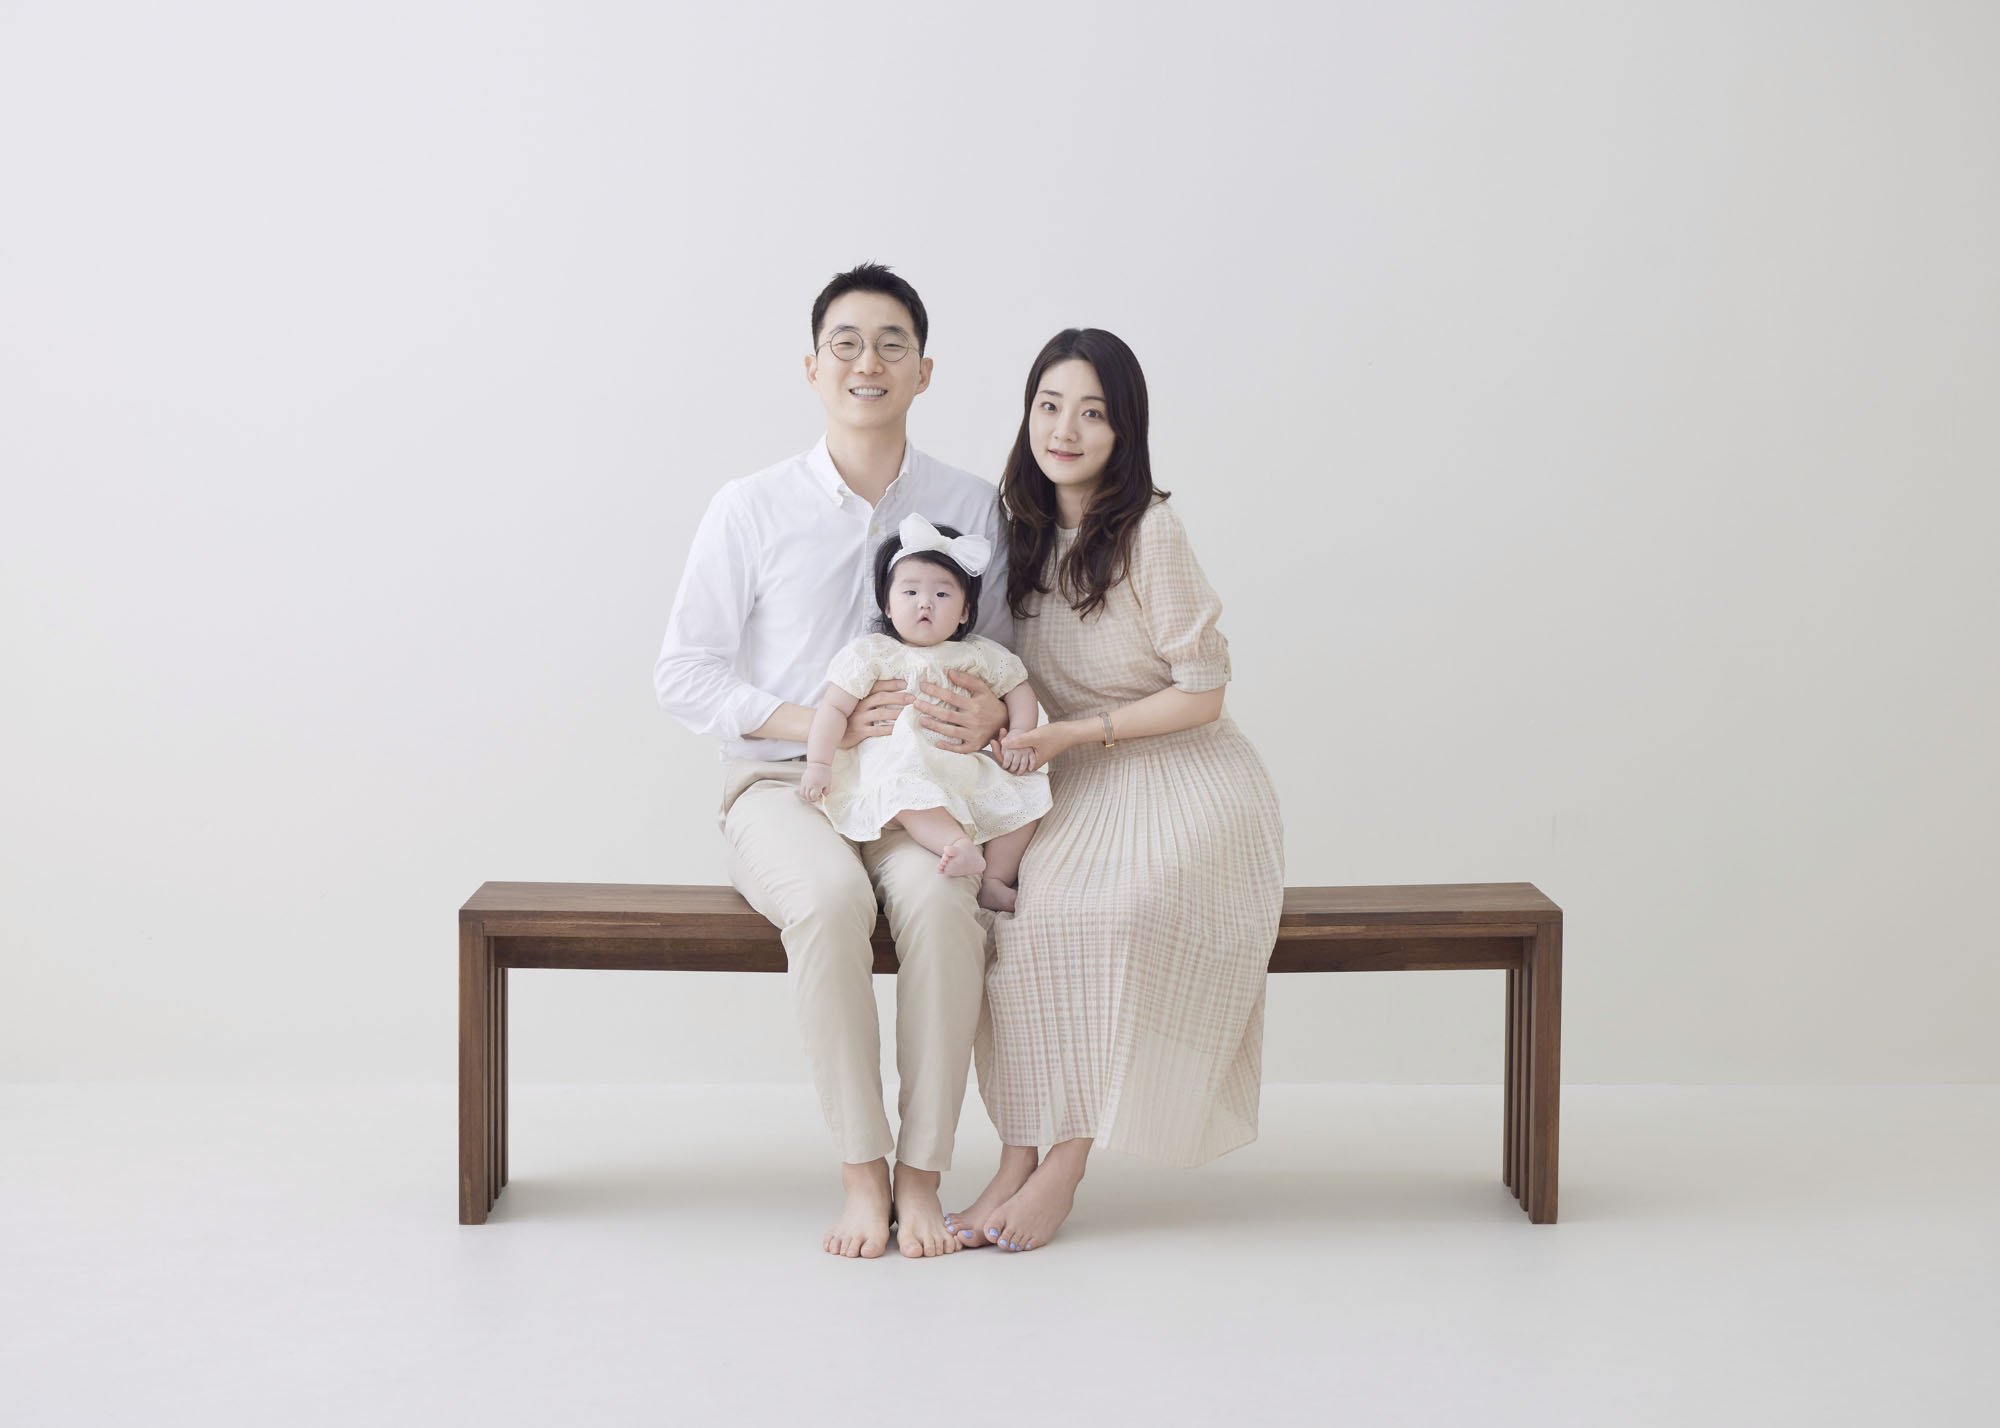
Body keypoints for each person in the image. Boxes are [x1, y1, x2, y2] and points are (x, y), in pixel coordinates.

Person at [655, 263, 1010, 1260]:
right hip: (784, 785)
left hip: (922, 792)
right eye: (846, 344)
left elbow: (1003, 652)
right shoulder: (750, 505)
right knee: (827, 898)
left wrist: (990, 711)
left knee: (943, 902)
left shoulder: (971, 504)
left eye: (893, 343)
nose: (869, 362)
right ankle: (862, 1174)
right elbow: (682, 672)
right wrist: (817, 721)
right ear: (812, 368)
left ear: (924, 371)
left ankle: (922, 1178)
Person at [944, 328, 1285, 1253]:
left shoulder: (1149, 532)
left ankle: (1065, 1167)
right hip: (1071, 781)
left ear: (1124, 430)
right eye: (1049, 406)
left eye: (1092, 413)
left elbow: (1203, 694)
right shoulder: (1010, 535)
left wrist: (1070, 733)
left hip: (1186, 774)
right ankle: (1013, 1160)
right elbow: (999, 666)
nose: (1066, 429)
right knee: (1021, 925)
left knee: (1116, 912)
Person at [799, 514, 1050, 914]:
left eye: (943, 594)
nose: (925, 602)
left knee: (1025, 800)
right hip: (901, 765)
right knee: (908, 795)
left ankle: (994, 880)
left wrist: (1019, 734)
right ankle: (957, 845)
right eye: (911, 591)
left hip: (959, 766)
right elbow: (833, 708)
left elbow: (1019, 688)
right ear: (888, 605)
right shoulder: (873, 653)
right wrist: (818, 763)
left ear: (965, 611)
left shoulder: (978, 654)